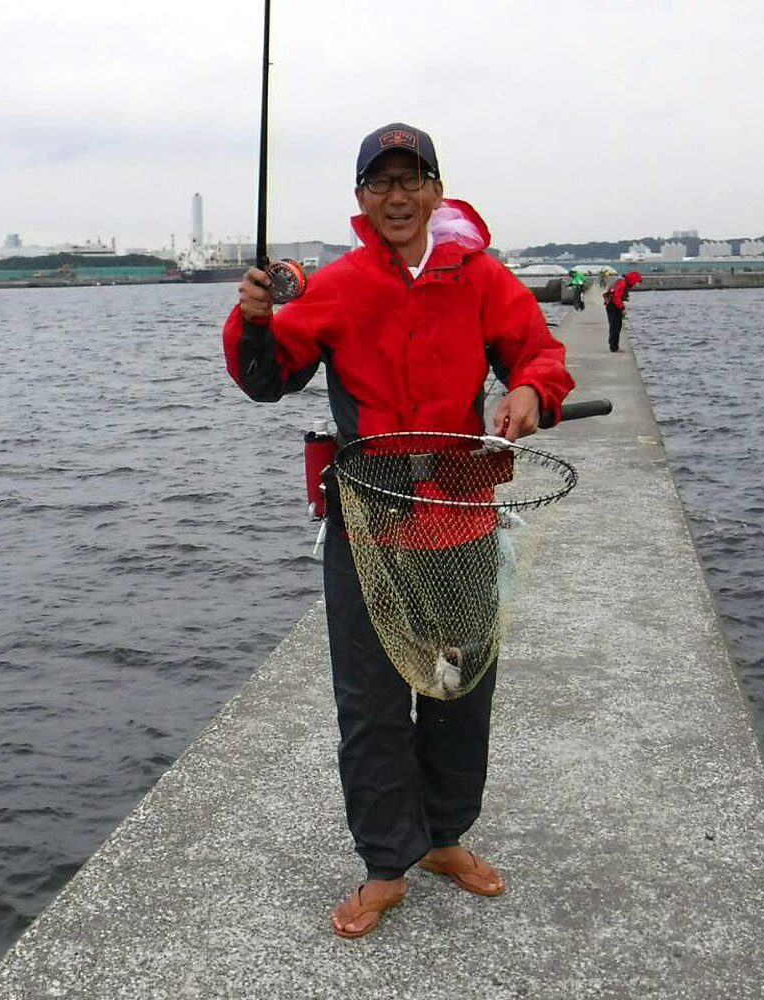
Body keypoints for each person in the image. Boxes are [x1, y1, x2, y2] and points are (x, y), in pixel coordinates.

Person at [222, 122, 574, 939]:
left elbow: (539, 353)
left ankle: (445, 836)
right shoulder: (337, 286)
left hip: (458, 519)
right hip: (367, 524)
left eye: (411, 180)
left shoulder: (482, 277)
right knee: (370, 702)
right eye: (380, 183)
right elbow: (268, 381)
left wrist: (530, 393)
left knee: (461, 688)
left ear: (435, 191)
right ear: (361, 201)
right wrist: (254, 321)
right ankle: (387, 862)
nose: (397, 197)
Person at [604, 269, 642, 352]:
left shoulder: (622, 280)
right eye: (635, 282)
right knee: (615, 326)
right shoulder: (622, 283)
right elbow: (616, 298)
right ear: (632, 279)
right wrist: (622, 308)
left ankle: (614, 346)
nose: (635, 284)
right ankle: (614, 347)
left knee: (616, 326)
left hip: (612, 304)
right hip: (613, 306)